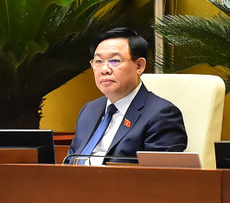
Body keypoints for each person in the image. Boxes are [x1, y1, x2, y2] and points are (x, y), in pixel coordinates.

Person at [66, 27, 187, 164]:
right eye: (98, 61)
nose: (104, 69)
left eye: (114, 61)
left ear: (139, 66)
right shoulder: (89, 110)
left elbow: (157, 177)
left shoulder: (162, 115)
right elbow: (70, 161)